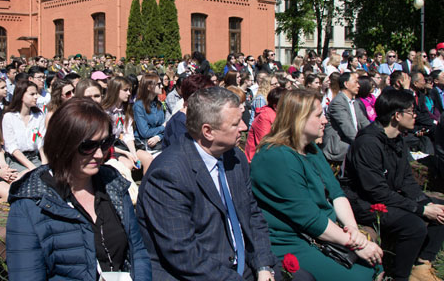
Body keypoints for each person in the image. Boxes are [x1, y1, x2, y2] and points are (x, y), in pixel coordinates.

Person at [138, 87, 310, 281]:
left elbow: (252, 215)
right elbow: (183, 253)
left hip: (243, 263)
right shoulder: (168, 174)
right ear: (208, 131)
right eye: (236, 123)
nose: (244, 127)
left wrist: (263, 265)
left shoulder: (234, 158)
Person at [6, 98, 152, 280]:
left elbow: (138, 252)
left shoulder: (114, 183)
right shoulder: (30, 204)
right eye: (88, 146)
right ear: (62, 144)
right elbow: (26, 275)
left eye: (105, 143)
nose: (99, 154)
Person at [251, 89, 382, 281]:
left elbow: (337, 193)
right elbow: (308, 218)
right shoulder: (275, 157)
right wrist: (357, 245)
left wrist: (354, 230)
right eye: (319, 115)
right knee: (362, 276)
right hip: (291, 240)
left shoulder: (310, 149)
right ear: (299, 119)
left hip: (321, 234)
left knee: (375, 266)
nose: (325, 121)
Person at [341, 89, 444, 281]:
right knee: (414, 226)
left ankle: (422, 265)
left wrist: (425, 203)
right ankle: (399, 277)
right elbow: (376, 191)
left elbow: (406, 179)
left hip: (386, 195)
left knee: (439, 211)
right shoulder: (368, 143)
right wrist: (419, 210)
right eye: (411, 111)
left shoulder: (397, 139)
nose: (415, 115)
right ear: (397, 115)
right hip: (365, 203)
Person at [321, 72, 370, 164]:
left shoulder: (354, 102)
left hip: (352, 145)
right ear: (346, 84)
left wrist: (374, 136)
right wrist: (364, 143)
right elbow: (347, 128)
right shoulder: (338, 102)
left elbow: (364, 123)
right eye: (355, 82)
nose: (359, 85)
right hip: (339, 150)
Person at [2, 81, 47, 172]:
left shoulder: (38, 116)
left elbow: (40, 141)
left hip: (34, 158)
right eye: (32, 94)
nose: (36, 97)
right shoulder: (9, 117)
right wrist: (31, 167)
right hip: (16, 160)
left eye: (36, 94)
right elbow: (12, 147)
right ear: (21, 95)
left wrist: (44, 163)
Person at [244, 87, 285, 163]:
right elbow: (265, 143)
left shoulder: (280, 115)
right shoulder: (264, 117)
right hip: (257, 160)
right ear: (276, 106)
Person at [133, 73, 165, 155]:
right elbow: (145, 133)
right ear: (148, 87)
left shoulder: (159, 104)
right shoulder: (138, 106)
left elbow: (165, 128)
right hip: (145, 145)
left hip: (159, 142)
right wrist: (163, 127)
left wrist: (158, 137)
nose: (162, 86)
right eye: (158, 84)